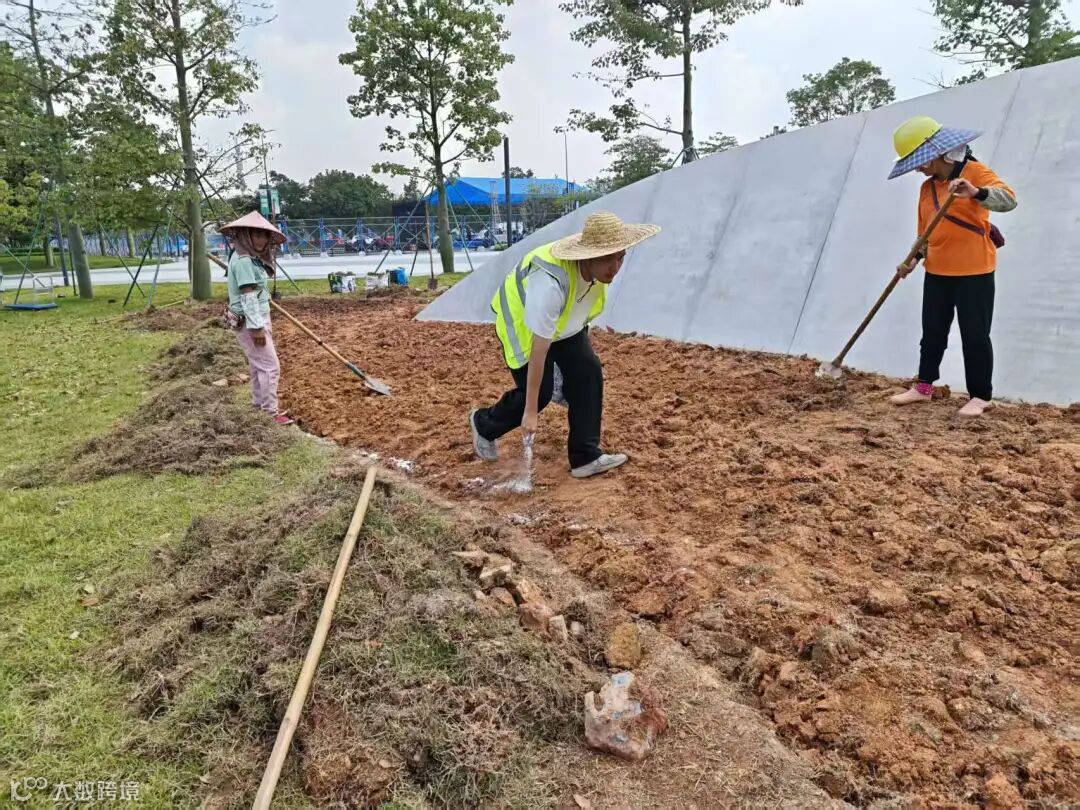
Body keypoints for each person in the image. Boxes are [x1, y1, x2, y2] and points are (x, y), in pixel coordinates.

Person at [469, 211, 660, 478]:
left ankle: (585, 457)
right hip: (523, 321)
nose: (615, 267)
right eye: (607, 258)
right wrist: (531, 412)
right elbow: (539, 348)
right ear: (588, 256)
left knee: (588, 371)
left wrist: (573, 373)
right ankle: (484, 424)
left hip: (562, 322)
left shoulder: (598, 275)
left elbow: (579, 312)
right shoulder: (549, 283)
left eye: (620, 257)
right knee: (540, 392)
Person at [886, 116, 1017, 417]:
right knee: (932, 333)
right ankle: (923, 387)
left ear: (936, 152)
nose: (917, 168)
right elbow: (925, 234)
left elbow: (1009, 200)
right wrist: (912, 259)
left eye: (919, 161)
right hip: (938, 271)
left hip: (974, 271)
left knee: (975, 335)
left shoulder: (975, 172)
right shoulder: (927, 188)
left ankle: (980, 396)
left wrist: (976, 192)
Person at [221, 211, 293, 425]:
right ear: (246, 235)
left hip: (257, 316)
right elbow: (248, 296)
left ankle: (258, 406)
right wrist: (256, 328)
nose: (262, 240)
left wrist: (265, 297)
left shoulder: (249, 257)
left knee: (258, 365)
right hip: (250, 321)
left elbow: (255, 290)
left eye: (265, 236)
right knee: (271, 366)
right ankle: (270, 413)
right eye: (257, 235)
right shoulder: (243, 260)